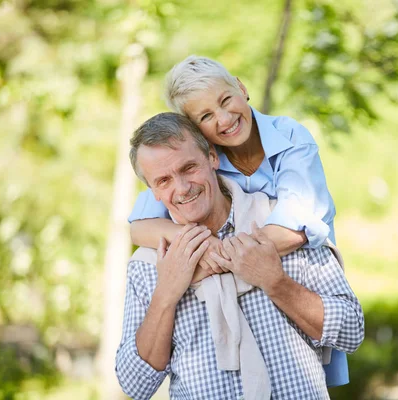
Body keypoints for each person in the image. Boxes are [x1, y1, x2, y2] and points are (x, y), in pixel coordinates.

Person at [128, 55, 349, 386]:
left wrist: (206, 264)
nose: (223, 118)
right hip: (229, 307)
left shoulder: (290, 138)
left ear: (241, 88)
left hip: (301, 287)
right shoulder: (193, 162)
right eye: (205, 116)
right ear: (192, 128)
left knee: (300, 374)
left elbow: (295, 229)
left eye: (225, 100)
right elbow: (140, 225)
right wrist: (192, 251)